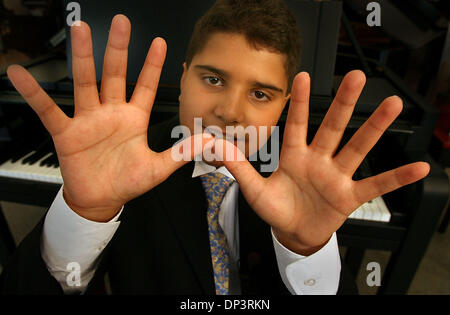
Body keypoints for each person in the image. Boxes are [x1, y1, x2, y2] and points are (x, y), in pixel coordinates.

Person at [0, 0, 429, 295]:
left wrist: (307, 251)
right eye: (213, 79)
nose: (229, 111)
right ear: (183, 80)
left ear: (283, 106)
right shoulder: (119, 163)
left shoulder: (305, 181)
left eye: (261, 94)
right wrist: (85, 214)